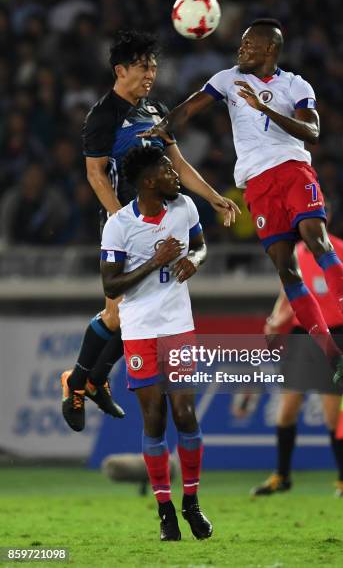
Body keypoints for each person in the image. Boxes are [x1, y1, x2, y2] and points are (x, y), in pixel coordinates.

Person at [141, 18, 343, 383]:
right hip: (257, 185)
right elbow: (188, 108)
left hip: (293, 170)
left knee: (317, 241)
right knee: (285, 268)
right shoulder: (227, 79)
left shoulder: (295, 84)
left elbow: (312, 131)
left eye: (248, 45)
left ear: (269, 50)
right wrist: (163, 126)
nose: (241, 50)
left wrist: (265, 110)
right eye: (242, 45)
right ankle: (332, 354)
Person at [61, 30, 238, 432]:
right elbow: (96, 174)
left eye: (154, 66)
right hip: (125, 223)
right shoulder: (103, 115)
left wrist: (212, 197)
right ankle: (82, 381)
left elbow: (178, 162)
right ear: (120, 70)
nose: (150, 73)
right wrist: (124, 223)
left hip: (159, 221)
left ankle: (84, 380)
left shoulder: (156, 110)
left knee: (123, 314)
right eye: (143, 66)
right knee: (122, 312)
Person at [100, 145, 212, 541]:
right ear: (148, 182)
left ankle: (192, 504)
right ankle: (165, 512)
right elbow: (110, 284)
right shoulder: (119, 225)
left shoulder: (184, 207)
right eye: (167, 169)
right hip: (140, 330)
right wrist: (154, 260)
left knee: (185, 414)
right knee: (154, 419)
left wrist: (193, 261)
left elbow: (200, 246)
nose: (174, 173)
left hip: (178, 324)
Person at [241, 202, 343, 498]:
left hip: (334, 337)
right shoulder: (296, 252)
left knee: (333, 417)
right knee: (286, 411)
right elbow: (287, 293)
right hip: (302, 335)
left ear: (326, 217)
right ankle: (282, 477)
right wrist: (275, 321)